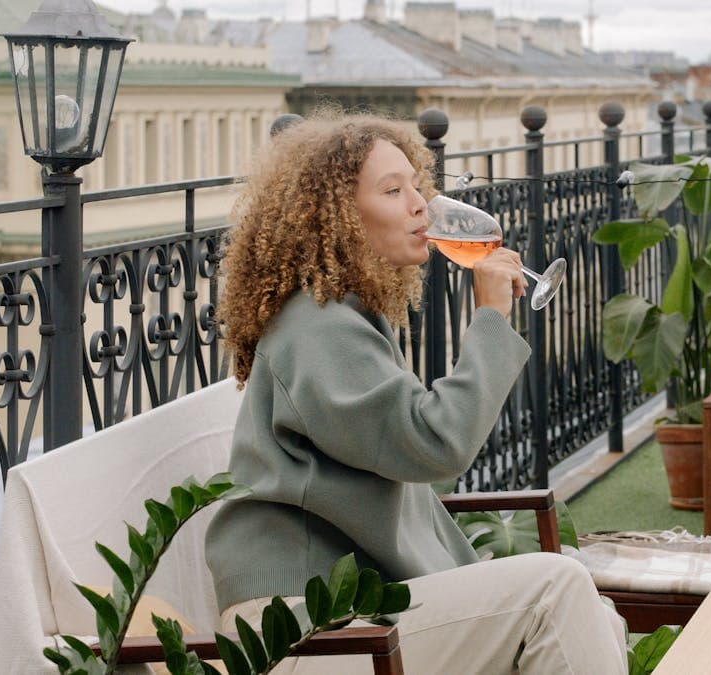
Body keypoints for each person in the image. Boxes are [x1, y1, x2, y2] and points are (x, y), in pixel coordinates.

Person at [205, 112, 627, 674]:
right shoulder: (317, 329)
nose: (419, 205)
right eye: (391, 190)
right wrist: (491, 319)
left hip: (352, 609)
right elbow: (435, 443)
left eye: (416, 186)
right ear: (336, 217)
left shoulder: (344, 316)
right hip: (298, 629)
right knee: (555, 589)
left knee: (593, 610)